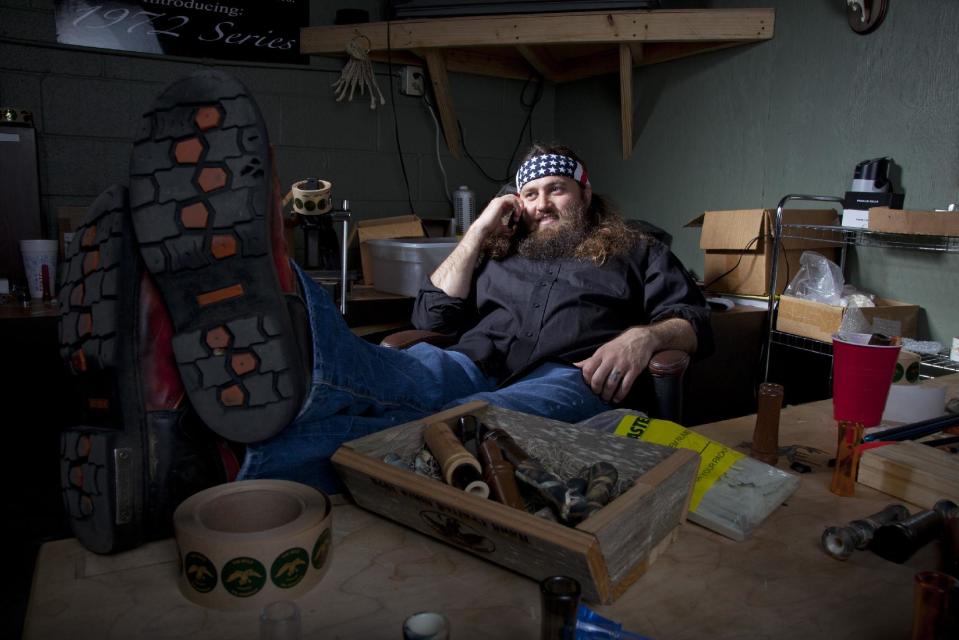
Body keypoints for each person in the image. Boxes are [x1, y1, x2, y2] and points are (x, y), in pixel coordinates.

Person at [60, 71, 712, 550]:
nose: (542, 203)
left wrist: (642, 337)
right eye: (530, 193)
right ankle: (202, 458)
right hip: (465, 365)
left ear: (584, 193)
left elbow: (690, 317)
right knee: (406, 379)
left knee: (464, 429)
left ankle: (270, 342)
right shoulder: (498, 250)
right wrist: (482, 228)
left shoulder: (631, 248)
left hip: (571, 381)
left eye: (557, 190)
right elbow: (432, 310)